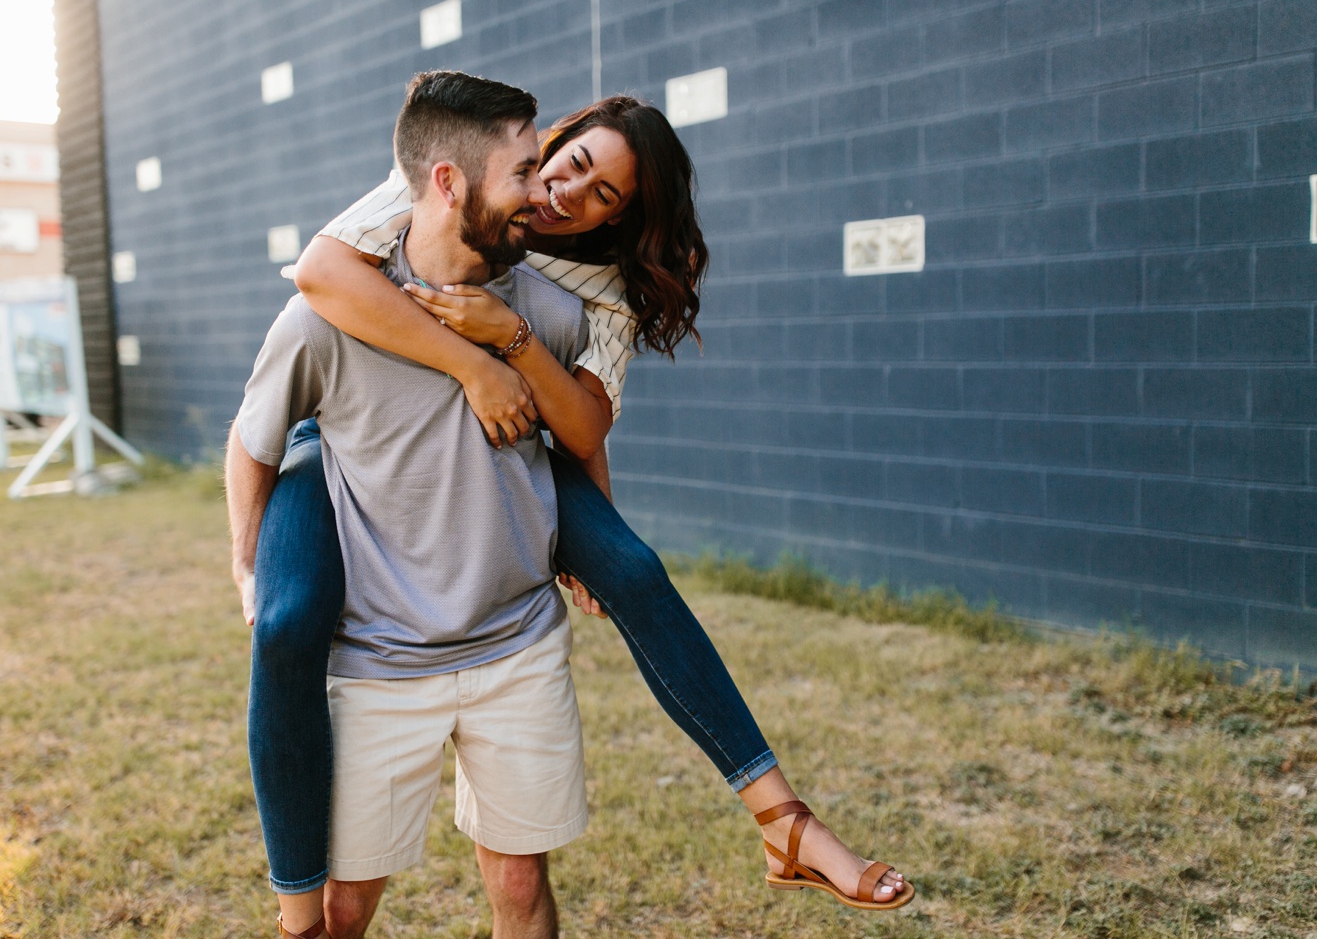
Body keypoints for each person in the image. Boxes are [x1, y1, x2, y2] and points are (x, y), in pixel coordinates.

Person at [242, 84, 914, 934]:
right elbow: (320, 274)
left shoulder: (601, 288)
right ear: (552, 143)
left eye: (604, 197)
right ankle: (296, 911)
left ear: (620, 219)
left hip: (522, 432)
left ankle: (786, 822)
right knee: (286, 618)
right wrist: (473, 364)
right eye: (568, 166)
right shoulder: (457, 182)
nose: (563, 196)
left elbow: (586, 425)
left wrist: (586, 527)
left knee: (632, 567)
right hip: (335, 434)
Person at [228, 71, 609, 939]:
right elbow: (252, 442)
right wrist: (248, 566)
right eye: (521, 173)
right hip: (379, 660)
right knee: (347, 904)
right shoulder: (321, 323)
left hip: (518, 644)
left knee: (518, 886)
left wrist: (596, 551)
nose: (540, 196)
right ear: (448, 182)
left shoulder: (547, 319)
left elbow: (585, 445)